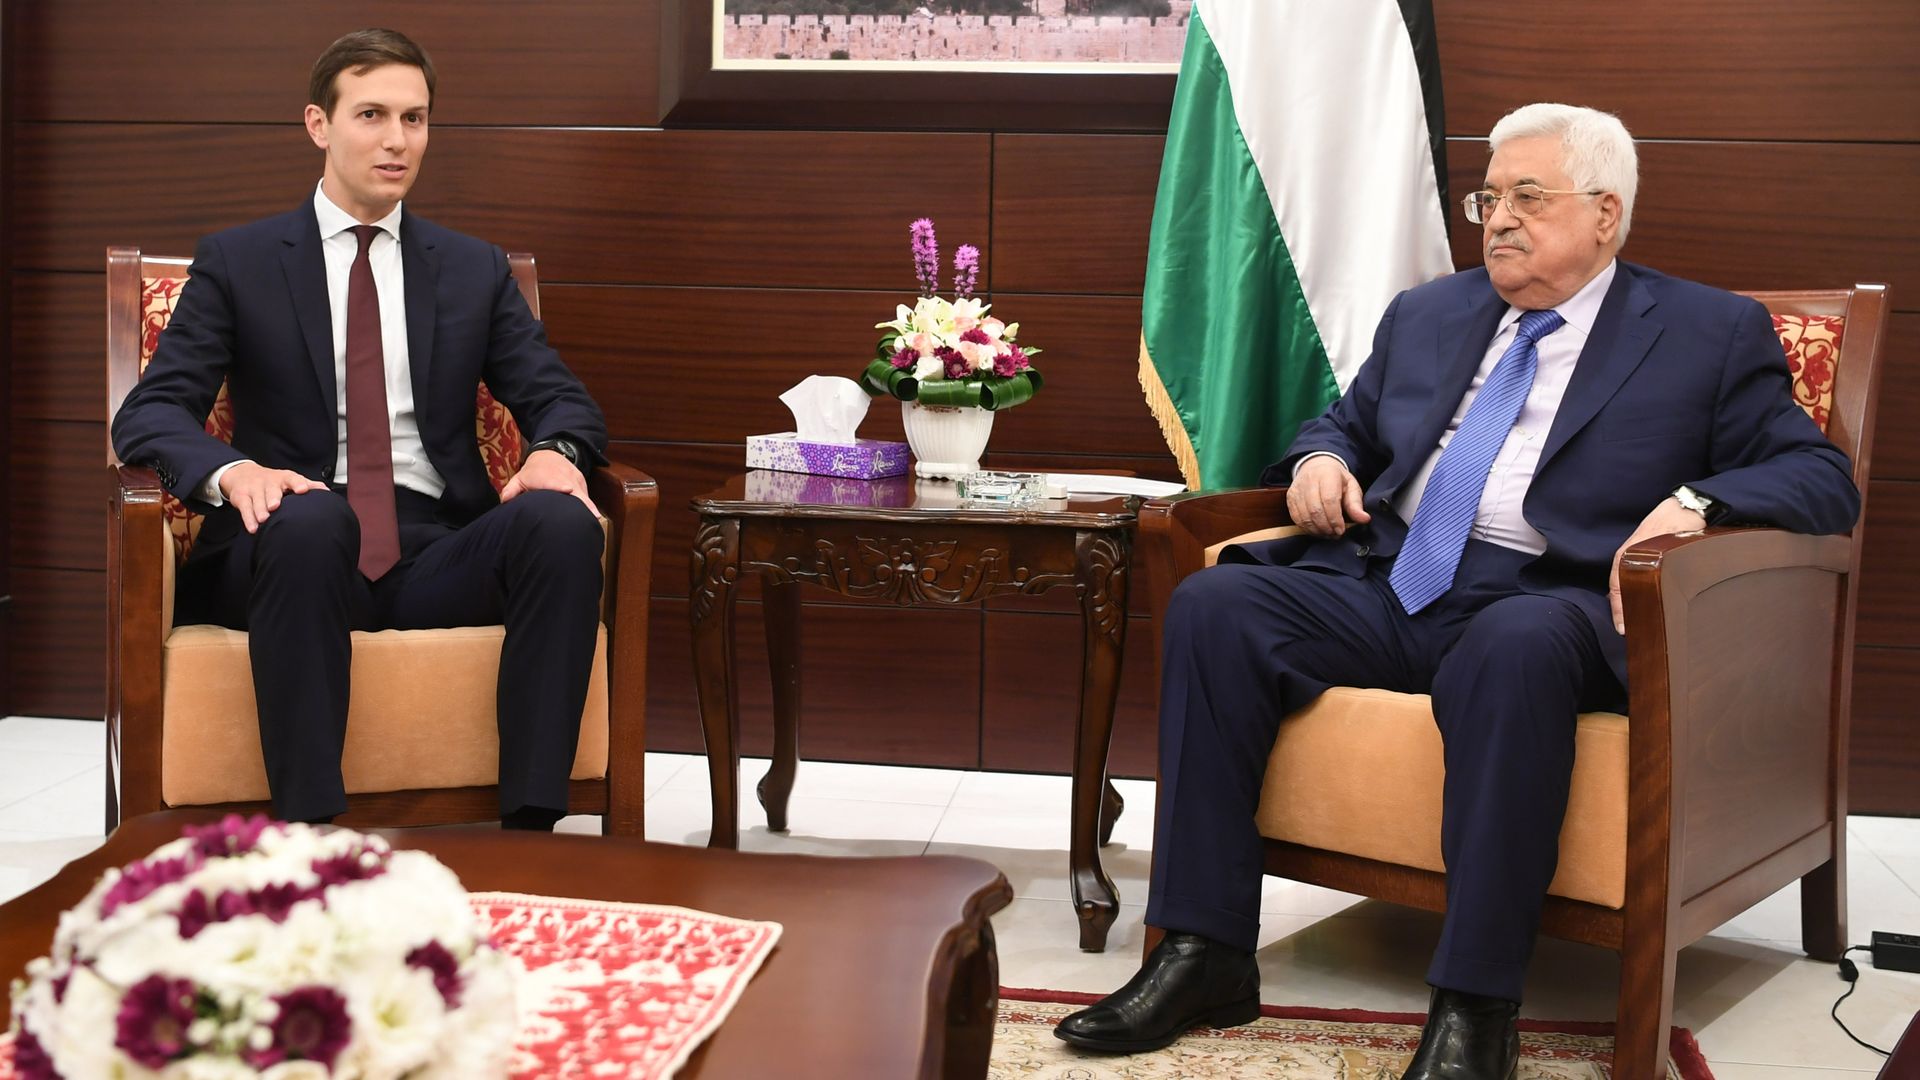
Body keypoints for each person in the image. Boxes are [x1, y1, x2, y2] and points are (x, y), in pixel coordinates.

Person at [1054, 103, 1861, 1077]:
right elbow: (1341, 426)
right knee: (1219, 604)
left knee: (1511, 645)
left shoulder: (1706, 331)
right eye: (1489, 196)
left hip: (1554, 602)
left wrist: (1697, 500)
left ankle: (1476, 1008)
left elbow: (1819, 480)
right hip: (1398, 582)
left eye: (1529, 196)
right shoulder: (1431, 312)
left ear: (1605, 215)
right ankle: (1203, 951)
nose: (1499, 219)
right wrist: (1318, 461)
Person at [110, 28, 609, 832]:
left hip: (435, 546)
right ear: (319, 124)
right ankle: (311, 836)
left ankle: (532, 829)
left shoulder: (472, 269)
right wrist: (236, 474)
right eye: (372, 114)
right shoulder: (240, 262)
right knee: (311, 522)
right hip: (290, 546)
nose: (396, 139)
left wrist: (556, 453)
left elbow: (562, 399)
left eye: (414, 119)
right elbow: (151, 411)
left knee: (556, 522)